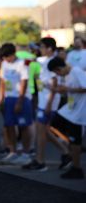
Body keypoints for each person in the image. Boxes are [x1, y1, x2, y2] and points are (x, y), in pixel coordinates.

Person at [22, 37, 70, 172]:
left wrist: (49, 103)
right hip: (45, 101)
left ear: (49, 48)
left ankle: (40, 161)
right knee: (44, 131)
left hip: (48, 102)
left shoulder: (52, 62)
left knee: (41, 132)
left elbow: (54, 82)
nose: (40, 49)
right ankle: (66, 153)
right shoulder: (45, 61)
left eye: (42, 47)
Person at [48, 56, 86, 179]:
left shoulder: (76, 71)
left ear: (59, 68)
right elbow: (72, 90)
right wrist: (61, 90)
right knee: (52, 125)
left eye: (56, 72)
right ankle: (72, 148)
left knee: (75, 139)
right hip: (70, 110)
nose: (58, 75)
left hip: (78, 113)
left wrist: (67, 89)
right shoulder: (68, 74)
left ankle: (77, 168)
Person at [0, 43, 33, 165]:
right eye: (4, 58)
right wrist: (1, 96)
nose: (6, 60)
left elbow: (24, 83)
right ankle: (12, 151)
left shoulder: (22, 64)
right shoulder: (4, 63)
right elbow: (2, 80)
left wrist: (20, 101)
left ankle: (26, 153)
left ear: (13, 54)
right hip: (9, 98)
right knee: (9, 126)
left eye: (7, 57)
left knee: (23, 126)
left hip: (22, 99)